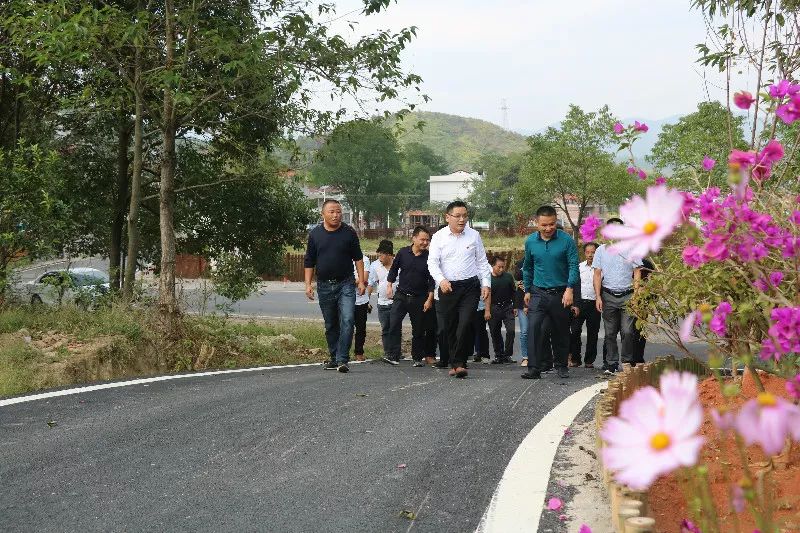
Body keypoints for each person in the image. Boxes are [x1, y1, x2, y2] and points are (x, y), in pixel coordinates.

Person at [428, 201, 492, 378]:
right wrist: (441, 280)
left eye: (465, 215)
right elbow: (432, 263)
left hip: (470, 287)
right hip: (448, 288)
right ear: (448, 217)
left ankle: (459, 363)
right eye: (458, 216)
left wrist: (486, 283)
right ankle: (455, 362)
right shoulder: (439, 237)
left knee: (465, 324)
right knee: (449, 327)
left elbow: (481, 262)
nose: (462, 219)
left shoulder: (474, 236)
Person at [304, 199, 365, 373]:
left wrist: (360, 281)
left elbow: (358, 258)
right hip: (324, 285)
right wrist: (308, 284)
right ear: (323, 214)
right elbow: (309, 261)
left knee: (347, 319)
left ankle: (342, 359)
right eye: (331, 211)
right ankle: (334, 357)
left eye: (338, 211)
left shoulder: (349, 232)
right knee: (331, 324)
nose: (336, 215)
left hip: (346, 283)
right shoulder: (315, 234)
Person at [521, 206, 580, 380]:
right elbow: (528, 267)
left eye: (552, 224)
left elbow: (573, 266)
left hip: (561, 292)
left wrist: (570, 289)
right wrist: (527, 289)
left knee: (560, 330)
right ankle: (534, 368)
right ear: (537, 223)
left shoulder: (566, 240)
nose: (548, 228)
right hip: (538, 293)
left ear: (556, 221)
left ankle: (561, 365)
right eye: (544, 225)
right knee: (534, 328)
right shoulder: (530, 242)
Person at [593, 218, 643, 374]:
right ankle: (611, 363)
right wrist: (598, 296)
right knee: (609, 333)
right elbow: (597, 273)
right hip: (608, 295)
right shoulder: (600, 250)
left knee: (628, 332)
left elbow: (637, 271)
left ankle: (627, 362)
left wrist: (636, 295)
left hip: (627, 296)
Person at [385, 226, 436, 367]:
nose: (425, 242)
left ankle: (417, 358)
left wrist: (429, 299)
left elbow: (432, 280)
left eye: (427, 240)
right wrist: (389, 285)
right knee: (394, 324)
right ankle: (393, 355)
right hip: (401, 296)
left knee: (418, 329)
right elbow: (394, 269)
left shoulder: (429, 257)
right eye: (422, 239)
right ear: (413, 238)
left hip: (419, 298)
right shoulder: (403, 253)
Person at [569, 242, 601, 368]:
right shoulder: (579, 267)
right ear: (584, 253)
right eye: (587, 252)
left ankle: (589, 361)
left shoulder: (601, 268)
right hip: (579, 303)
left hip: (594, 303)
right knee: (575, 331)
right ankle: (576, 359)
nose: (590, 255)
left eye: (593, 252)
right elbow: (573, 285)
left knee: (593, 333)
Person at [367, 240, 395, 360]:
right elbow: (370, 284)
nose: (379, 257)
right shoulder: (375, 266)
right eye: (378, 254)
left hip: (396, 302)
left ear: (388, 254)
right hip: (382, 303)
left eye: (381, 254)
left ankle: (396, 352)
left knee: (395, 328)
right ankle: (388, 353)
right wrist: (367, 300)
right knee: (385, 328)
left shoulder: (398, 264)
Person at [488, 256, 516, 364]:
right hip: (494, 307)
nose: (501, 269)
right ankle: (498, 355)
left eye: (503, 267)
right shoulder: (488, 279)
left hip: (508, 307)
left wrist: (515, 307)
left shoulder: (508, 277)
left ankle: (507, 354)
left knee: (511, 330)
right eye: (499, 267)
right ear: (492, 266)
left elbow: (514, 292)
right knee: (495, 332)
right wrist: (487, 310)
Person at [630, 257, 655, 365]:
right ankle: (631, 358)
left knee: (639, 329)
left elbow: (652, 282)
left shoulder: (646, 264)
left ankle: (637, 357)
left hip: (642, 299)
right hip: (627, 296)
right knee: (628, 331)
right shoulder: (624, 262)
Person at [353, 253, 371, 362]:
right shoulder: (342, 257)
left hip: (361, 300)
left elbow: (364, 279)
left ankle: (359, 352)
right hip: (345, 299)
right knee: (345, 327)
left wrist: (346, 281)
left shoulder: (365, 259)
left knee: (360, 328)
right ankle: (342, 352)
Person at [473, 275, 491, 363]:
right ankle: (477, 353)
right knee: (471, 330)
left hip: (480, 306)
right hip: (469, 305)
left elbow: (488, 291)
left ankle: (484, 353)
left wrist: (487, 310)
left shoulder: (483, 270)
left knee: (481, 330)